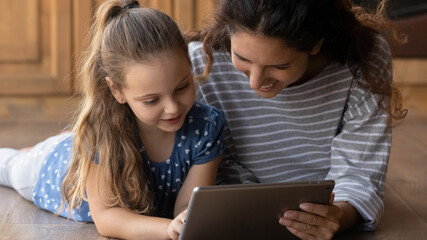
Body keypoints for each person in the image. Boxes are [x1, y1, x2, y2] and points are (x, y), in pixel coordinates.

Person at [0, 0, 225, 239]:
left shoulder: (207, 127)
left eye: (181, 87)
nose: (172, 108)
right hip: (56, 170)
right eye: (151, 100)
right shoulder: (102, 132)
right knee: (8, 165)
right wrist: (166, 229)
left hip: (85, 152)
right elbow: (107, 217)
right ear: (117, 91)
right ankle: (47, 148)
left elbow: (186, 209)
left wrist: (182, 221)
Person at [186, 0, 407, 239]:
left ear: (316, 45)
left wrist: (335, 217)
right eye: (242, 58)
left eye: (279, 65)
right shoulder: (201, 62)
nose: (255, 83)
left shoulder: (364, 59)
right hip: (228, 220)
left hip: (323, 211)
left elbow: (361, 175)